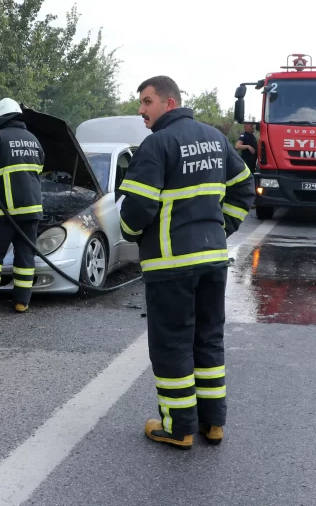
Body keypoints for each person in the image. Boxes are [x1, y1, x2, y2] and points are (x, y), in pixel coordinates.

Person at [118, 75, 255, 450]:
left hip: (170, 264)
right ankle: (213, 423)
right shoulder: (216, 138)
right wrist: (220, 228)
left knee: (172, 344)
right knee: (207, 340)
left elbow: (137, 208)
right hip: (212, 260)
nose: (141, 110)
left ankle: (179, 428)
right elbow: (244, 187)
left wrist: (132, 234)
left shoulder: (157, 144)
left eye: (147, 102)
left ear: (170, 102)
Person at [0, 98, 45, 314]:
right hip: (32, 210)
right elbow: (39, 168)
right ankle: (22, 302)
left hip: (4, 211)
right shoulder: (33, 139)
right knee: (25, 256)